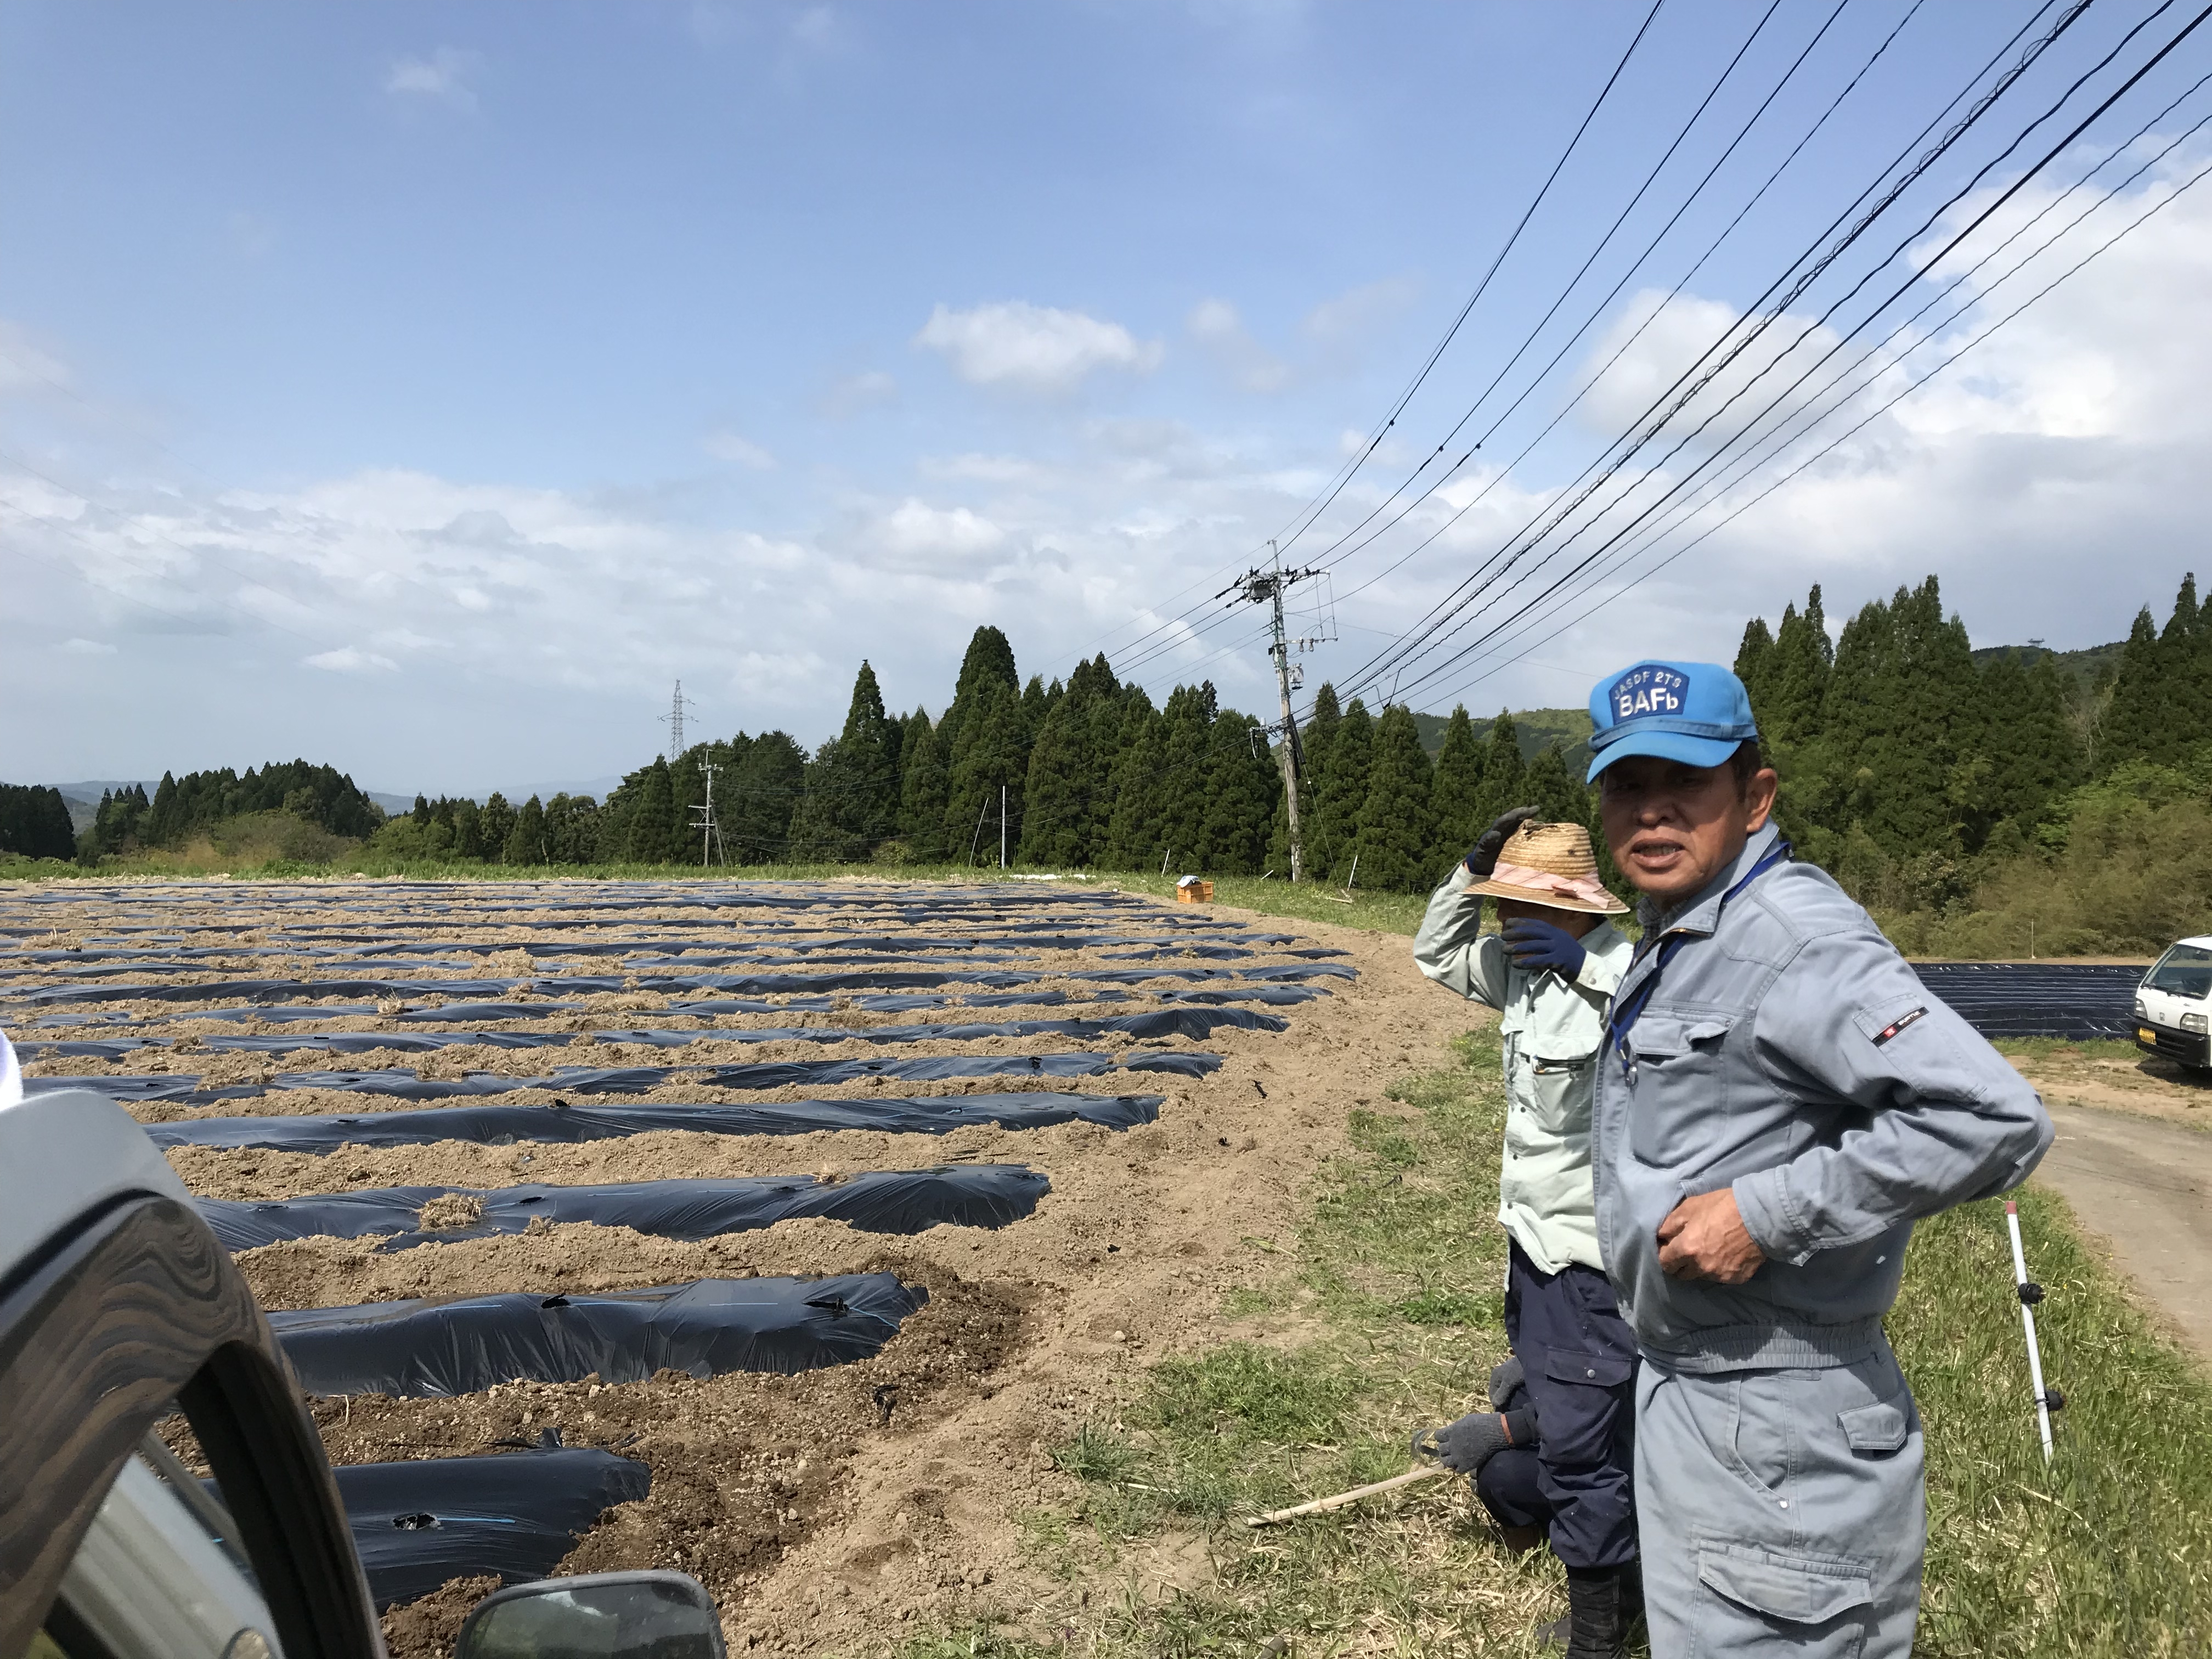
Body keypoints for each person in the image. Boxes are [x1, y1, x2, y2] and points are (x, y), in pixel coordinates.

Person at [1582, 659, 2052, 1658]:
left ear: (1754, 797)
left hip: (1778, 1420)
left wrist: (1767, 1214)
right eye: (1628, 787)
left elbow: (1994, 1118)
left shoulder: (1793, 941)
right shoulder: (1686, 933)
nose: (1652, 815)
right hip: (1703, 1401)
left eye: (1686, 786)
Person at [1412, 809, 1642, 1658]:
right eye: (1498, 901)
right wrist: (1466, 871)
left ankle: (1600, 1640)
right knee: (1559, 1428)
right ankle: (1627, 1591)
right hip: (1533, 1242)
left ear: (1577, 908)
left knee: (1585, 1446)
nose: (1505, 919)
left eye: (1518, 903)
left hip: (1594, 1251)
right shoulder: (1518, 970)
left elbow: (1685, 1043)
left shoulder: (1632, 973)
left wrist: (1591, 973)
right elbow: (1434, 955)